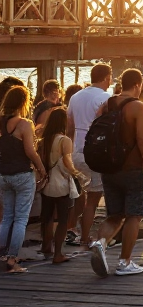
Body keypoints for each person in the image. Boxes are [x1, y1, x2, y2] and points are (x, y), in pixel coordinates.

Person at [89, 68, 143, 277]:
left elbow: (98, 128)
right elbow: (142, 139)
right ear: (138, 85)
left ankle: (100, 243)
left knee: (115, 215)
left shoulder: (107, 104)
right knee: (134, 215)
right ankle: (125, 262)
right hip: (131, 168)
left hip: (109, 168)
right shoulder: (139, 107)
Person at [1, 86, 47, 273]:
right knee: (20, 219)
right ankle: (12, 260)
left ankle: (2, 255)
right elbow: (30, 151)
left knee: (6, 218)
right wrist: (42, 168)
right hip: (22, 175)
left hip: (3, 175)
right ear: (23, 102)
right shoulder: (24, 124)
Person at [66, 63, 113, 249]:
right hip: (95, 152)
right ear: (106, 78)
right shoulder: (105, 97)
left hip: (77, 151)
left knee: (85, 194)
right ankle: (86, 238)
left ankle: (75, 229)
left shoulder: (76, 97)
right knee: (93, 199)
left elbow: (69, 127)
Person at [38, 107, 82, 264]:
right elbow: (67, 163)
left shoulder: (43, 140)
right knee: (63, 220)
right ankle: (58, 254)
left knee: (47, 217)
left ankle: (46, 247)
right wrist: (79, 175)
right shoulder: (65, 140)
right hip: (62, 184)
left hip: (46, 183)